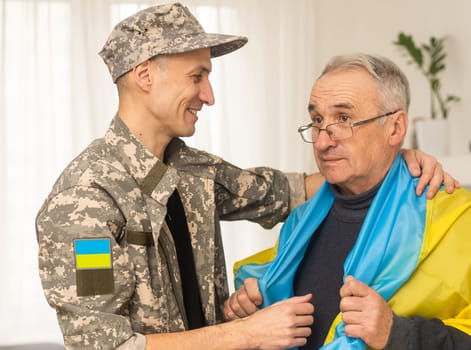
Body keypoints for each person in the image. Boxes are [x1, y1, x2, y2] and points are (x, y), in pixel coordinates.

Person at [36, 3, 456, 349]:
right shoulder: (86, 199)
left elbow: (289, 190)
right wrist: (248, 333)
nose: (209, 96)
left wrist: (394, 152)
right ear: (145, 76)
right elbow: (103, 345)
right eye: (196, 77)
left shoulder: (194, 171)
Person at [229, 53, 471, 349]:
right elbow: (273, 305)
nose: (322, 141)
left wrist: (397, 333)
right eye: (317, 120)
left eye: (343, 119)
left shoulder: (458, 220)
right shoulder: (300, 223)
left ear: (395, 128)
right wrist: (249, 310)